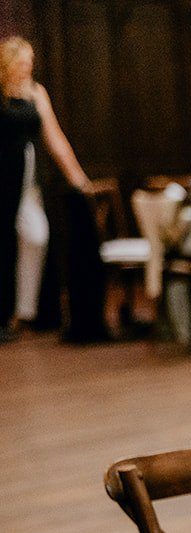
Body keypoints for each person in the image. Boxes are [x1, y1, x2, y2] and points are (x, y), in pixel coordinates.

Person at [0, 36, 90, 340]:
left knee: (36, 235)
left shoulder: (37, 92)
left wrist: (78, 178)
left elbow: (55, 138)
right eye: (21, 61)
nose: (27, 67)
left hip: (28, 177)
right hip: (3, 175)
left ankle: (24, 311)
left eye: (30, 61)